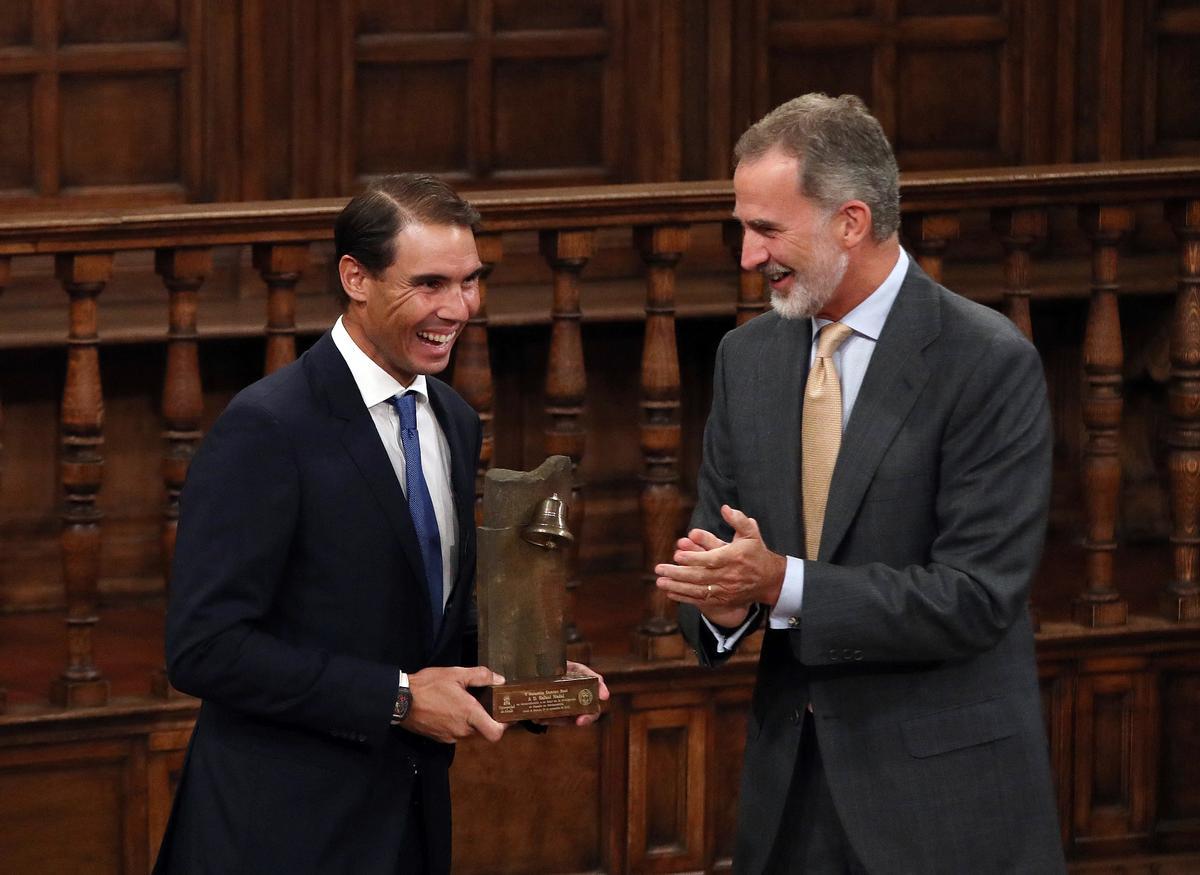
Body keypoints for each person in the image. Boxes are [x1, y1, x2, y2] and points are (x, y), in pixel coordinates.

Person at [656, 94, 1065, 874]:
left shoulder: (985, 361)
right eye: (743, 227)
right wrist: (719, 600)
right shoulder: (747, 362)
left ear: (851, 221)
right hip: (791, 800)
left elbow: (975, 595)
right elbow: (717, 556)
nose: (747, 255)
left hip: (942, 805)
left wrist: (779, 581)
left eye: (767, 229)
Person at [154, 173, 607, 875]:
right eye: (429, 284)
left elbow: (427, 621)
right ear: (355, 278)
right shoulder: (268, 427)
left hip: (407, 827)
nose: (457, 308)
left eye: (470, 281)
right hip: (279, 835)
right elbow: (205, 647)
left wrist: (532, 678)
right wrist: (396, 698)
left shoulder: (453, 419)